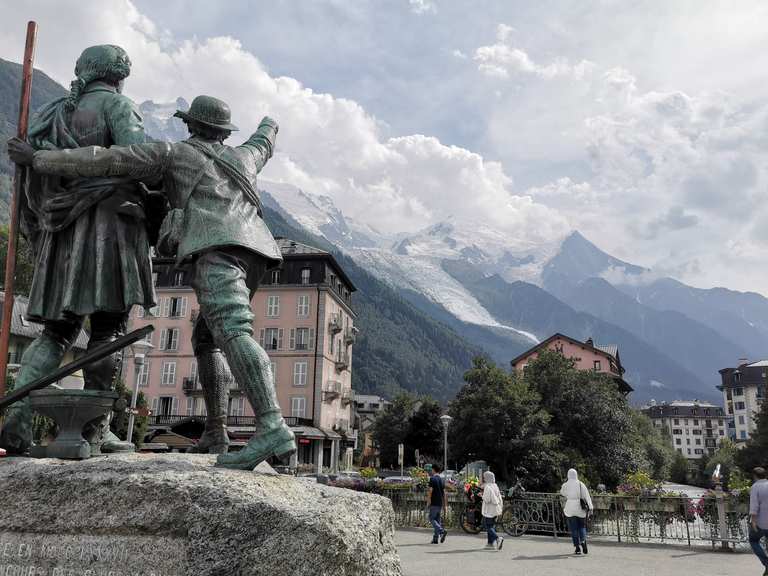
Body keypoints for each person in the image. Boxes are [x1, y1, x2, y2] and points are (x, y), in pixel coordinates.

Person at [7, 94, 296, 470]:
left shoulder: (172, 153)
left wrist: (38, 159)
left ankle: (272, 425)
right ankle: (216, 429)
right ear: (224, 132)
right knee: (207, 339)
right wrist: (271, 119)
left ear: (190, 124)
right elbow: (265, 140)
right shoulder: (244, 157)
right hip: (257, 251)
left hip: (217, 246)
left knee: (234, 331)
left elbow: (105, 159)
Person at [0, 45, 155, 455]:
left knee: (56, 332)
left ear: (83, 72)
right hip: (109, 229)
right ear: (118, 77)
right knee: (108, 330)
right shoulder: (120, 107)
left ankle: (15, 425)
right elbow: (136, 160)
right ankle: (96, 431)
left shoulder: (53, 114)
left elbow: (31, 175)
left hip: (61, 234)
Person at [560, 468, 593, 555]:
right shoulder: (580, 484)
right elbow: (586, 496)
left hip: (570, 507)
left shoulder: (565, 485)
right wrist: (590, 507)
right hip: (579, 507)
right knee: (582, 526)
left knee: (574, 528)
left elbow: (562, 493)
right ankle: (583, 541)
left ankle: (577, 548)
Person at [749, 467, 768, 575]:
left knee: (753, 540)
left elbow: (754, 506)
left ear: (755, 476)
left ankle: (766, 563)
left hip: (761, 523)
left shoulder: (755, 487)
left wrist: (753, 521)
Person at [481, 471, 504, 550]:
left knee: (488, 526)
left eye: (484, 477)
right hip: (495, 510)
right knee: (491, 526)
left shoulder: (487, 487)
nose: (484, 479)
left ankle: (498, 539)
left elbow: (487, 499)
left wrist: (481, 496)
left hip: (489, 510)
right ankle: (490, 544)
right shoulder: (495, 486)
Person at [427, 464, 447, 544]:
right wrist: (445, 505)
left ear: (433, 470)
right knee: (437, 521)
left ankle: (441, 531)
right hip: (440, 503)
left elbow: (430, 491)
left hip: (434, 502)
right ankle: (435, 539)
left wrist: (428, 501)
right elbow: (444, 493)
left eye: (431, 470)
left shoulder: (432, 479)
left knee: (431, 518)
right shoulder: (442, 480)